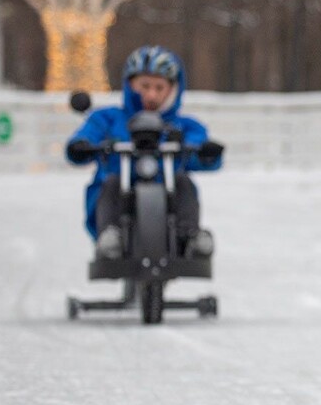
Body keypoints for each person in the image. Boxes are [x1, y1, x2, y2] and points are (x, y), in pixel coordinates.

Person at [65, 45, 223, 259]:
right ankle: (110, 236)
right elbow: (88, 134)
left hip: (168, 193)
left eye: (159, 87)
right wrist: (80, 146)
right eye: (144, 86)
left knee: (183, 183)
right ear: (130, 85)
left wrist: (204, 152)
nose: (151, 94)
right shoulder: (108, 118)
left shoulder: (183, 125)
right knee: (109, 184)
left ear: (173, 89)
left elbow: (198, 144)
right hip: (119, 187)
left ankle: (190, 237)